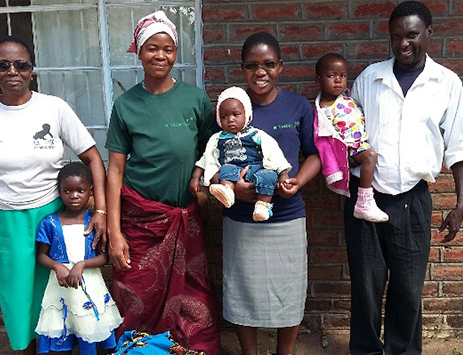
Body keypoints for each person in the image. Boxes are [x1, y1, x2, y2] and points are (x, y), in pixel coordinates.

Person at [0, 36, 107, 354]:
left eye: (21, 64)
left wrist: (102, 211)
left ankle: (59, 348)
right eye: (3, 64)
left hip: (52, 217)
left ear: (32, 69)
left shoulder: (54, 108)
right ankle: (26, 349)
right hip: (4, 219)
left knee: (56, 291)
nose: (13, 71)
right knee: (17, 296)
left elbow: (93, 157)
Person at [345, 1, 463, 354]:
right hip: (365, 199)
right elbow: (346, 136)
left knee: (407, 289)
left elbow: (459, 147)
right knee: (367, 288)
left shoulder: (446, 83)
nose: (403, 44)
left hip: (412, 201)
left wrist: (461, 204)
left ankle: (402, 351)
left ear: (429, 34)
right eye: (396, 37)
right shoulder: (369, 79)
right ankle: (367, 350)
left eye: (412, 35)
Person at [104, 10, 220, 355]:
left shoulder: (194, 100)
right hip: (140, 223)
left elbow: (211, 150)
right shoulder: (126, 106)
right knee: (138, 295)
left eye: (168, 49)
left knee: (193, 297)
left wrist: (202, 190)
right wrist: (115, 232)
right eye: (152, 48)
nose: (161, 56)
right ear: (138, 52)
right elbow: (115, 170)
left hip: (186, 218)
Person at [222, 32, 321, 355]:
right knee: (242, 289)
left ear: (281, 66)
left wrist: (298, 181)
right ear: (242, 68)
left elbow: (316, 154)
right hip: (240, 217)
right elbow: (213, 159)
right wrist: (235, 188)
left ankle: (285, 352)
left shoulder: (297, 106)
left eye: (268, 64)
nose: (260, 72)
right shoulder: (230, 109)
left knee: (288, 288)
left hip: (287, 214)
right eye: (252, 65)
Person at [34, 162, 123, 355]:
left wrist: (81, 265)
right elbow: (41, 255)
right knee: (61, 333)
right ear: (59, 191)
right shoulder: (49, 223)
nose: (74, 195)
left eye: (80, 190)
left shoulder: (95, 223)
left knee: (88, 330)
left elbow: (104, 257)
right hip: (60, 288)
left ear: (90, 192)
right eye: (67, 191)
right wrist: (57, 266)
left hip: (90, 286)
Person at [190, 86, 291, 222]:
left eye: (235, 114)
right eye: (224, 116)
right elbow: (206, 159)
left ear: (247, 114)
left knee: (269, 176)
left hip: (256, 167)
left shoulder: (256, 134)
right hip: (232, 170)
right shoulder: (217, 138)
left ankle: (263, 205)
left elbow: (274, 152)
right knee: (225, 170)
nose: (230, 119)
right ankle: (227, 191)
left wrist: (283, 174)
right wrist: (196, 178)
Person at [313, 53, 388, 223]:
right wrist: (342, 159)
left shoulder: (346, 97)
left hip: (359, 140)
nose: (338, 80)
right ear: (318, 80)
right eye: (331, 76)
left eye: (343, 76)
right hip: (348, 147)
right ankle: (364, 201)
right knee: (370, 157)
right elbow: (324, 141)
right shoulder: (323, 110)